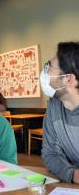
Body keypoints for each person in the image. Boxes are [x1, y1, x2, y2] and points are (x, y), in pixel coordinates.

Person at [40, 42, 79, 184]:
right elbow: (50, 153)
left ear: (69, 79)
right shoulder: (54, 106)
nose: (44, 72)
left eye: (49, 67)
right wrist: (73, 174)